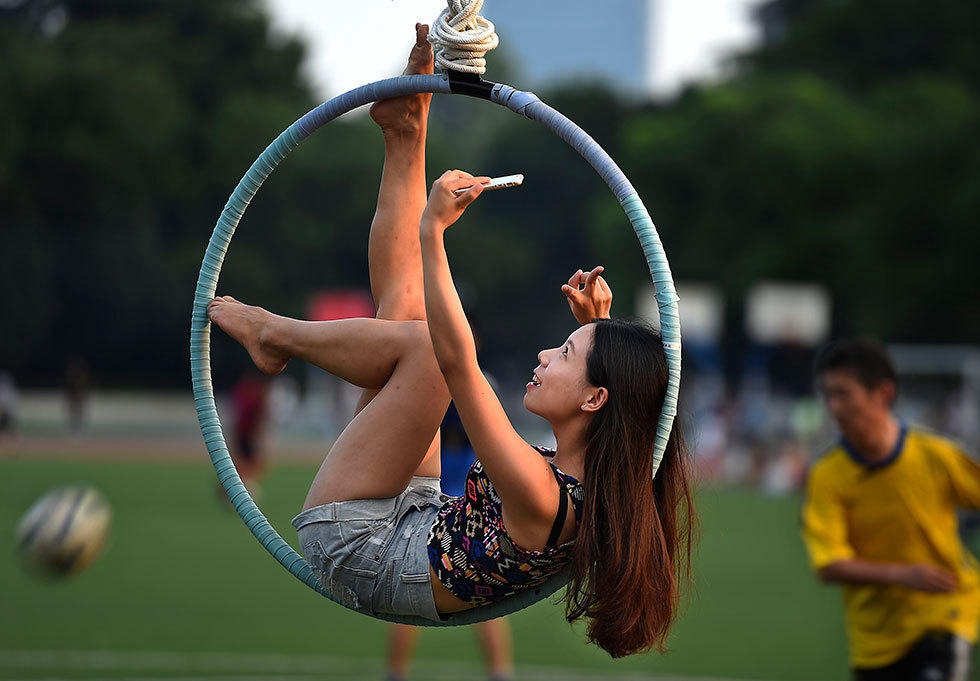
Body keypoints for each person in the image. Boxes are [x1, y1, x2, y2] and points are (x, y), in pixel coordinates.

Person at [207, 23, 694, 659]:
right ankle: (405, 132)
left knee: (430, 354)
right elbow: (603, 389)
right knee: (407, 315)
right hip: (414, 516)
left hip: (358, 542)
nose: (547, 356)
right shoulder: (584, 481)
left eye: (565, 355)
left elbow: (459, 365)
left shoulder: (545, 496)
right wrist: (592, 331)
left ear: (596, 399)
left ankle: (273, 335)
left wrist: (435, 233)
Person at [801, 337, 980, 680]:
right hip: (874, 640)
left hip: (943, 616)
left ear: (882, 393)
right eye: (829, 395)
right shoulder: (827, 476)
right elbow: (829, 565)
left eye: (843, 394)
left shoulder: (934, 456)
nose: (833, 407)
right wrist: (904, 575)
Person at [385, 404, 515, 681]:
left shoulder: (436, 389)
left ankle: (395, 672)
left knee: (409, 595)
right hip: (467, 504)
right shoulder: (476, 388)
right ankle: (500, 672)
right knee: (485, 599)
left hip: (441, 500)